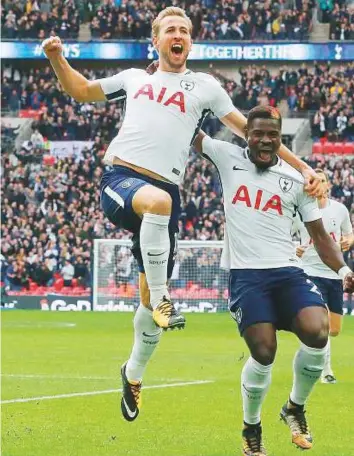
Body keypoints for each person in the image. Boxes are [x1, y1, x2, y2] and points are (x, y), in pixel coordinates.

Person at [42, 6, 322, 422]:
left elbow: (251, 130)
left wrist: (303, 168)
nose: (179, 35)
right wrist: (56, 58)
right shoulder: (134, 79)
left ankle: (133, 373)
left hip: (163, 196)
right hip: (122, 181)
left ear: (190, 41)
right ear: (155, 40)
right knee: (158, 214)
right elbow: (81, 91)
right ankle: (164, 299)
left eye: (185, 31)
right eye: (170, 29)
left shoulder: (205, 87)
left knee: (147, 306)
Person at [193, 106, 354, 456]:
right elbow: (191, 133)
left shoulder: (297, 181)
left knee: (318, 330)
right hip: (247, 276)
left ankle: (294, 407)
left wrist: (343, 271)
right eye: (258, 134)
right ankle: (252, 428)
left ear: (281, 140)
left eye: (272, 135)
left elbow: (321, 237)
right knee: (264, 352)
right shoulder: (226, 156)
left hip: (287, 272)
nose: (265, 140)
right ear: (245, 134)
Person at [293, 169, 353, 384]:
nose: (318, 184)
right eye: (313, 180)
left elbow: (349, 233)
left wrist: (349, 241)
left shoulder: (340, 210)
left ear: (327, 185)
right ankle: (325, 370)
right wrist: (294, 248)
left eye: (322, 181)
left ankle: (309, 349)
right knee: (320, 324)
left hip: (335, 274)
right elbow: (283, 235)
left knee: (333, 330)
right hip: (309, 272)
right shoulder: (300, 211)